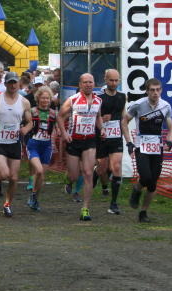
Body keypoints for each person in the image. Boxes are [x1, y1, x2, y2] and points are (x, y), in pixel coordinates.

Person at [121, 78, 172, 223]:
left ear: (161, 90)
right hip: (141, 146)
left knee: (153, 184)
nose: (155, 93)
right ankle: (137, 189)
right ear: (147, 91)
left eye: (158, 90)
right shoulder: (138, 105)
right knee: (145, 177)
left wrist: (170, 141)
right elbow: (124, 121)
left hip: (157, 148)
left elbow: (171, 129)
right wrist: (129, 143)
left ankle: (143, 212)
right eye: (152, 90)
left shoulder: (166, 106)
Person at [0, 72, 33, 217]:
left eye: (14, 82)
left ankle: (7, 204)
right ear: (5, 84)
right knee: (4, 174)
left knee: (14, 178)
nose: (12, 85)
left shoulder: (24, 102)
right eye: (9, 82)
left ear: (19, 83)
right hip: (0, 143)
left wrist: (25, 129)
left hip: (15, 143)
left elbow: (30, 122)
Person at [57, 73, 103, 221]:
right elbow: (59, 116)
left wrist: (101, 129)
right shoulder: (72, 100)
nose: (88, 85)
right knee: (74, 175)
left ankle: (85, 208)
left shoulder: (98, 100)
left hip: (89, 141)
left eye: (91, 82)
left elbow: (98, 117)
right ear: (80, 84)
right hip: (74, 140)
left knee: (89, 173)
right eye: (85, 82)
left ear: (94, 83)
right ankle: (69, 180)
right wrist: (64, 133)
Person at [95, 69, 126, 215]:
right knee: (102, 168)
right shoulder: (98, 98)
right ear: (105, 80)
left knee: (116, 167)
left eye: (116, 80)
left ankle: (114, 203)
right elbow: (93, 117)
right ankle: (96, 173)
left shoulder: (122, 97)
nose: (114, 83)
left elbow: (124, 117)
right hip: (102, 137)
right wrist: (101, 119)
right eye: (111, 80)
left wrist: (128, 138)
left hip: (116, 137)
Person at [25, 86, 56, 212]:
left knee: (42, 175)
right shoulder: (32, 111)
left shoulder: (54, 113)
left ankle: (34, 197)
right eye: (43, 98)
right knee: (38, 170)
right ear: (38, 98)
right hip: (33, 144)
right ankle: (33, 195)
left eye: (47, 98)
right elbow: (24, 124)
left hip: (46, 145)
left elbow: (58, 128)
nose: (45, 100)